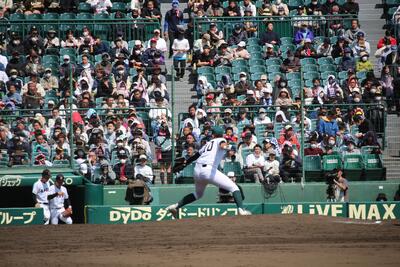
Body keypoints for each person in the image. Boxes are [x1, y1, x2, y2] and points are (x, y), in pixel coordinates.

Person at [166, 126, 252, 218]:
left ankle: (175, 206)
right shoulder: (221, 139)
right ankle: (241, 210)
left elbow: (196, 155)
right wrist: (230, 146)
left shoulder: (208, 143)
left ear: (213, 134)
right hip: (208, 170)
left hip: (197, 170)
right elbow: (222, 145)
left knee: (198, 194)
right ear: (222, 134)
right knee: (234, 187)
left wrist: (186, 163)